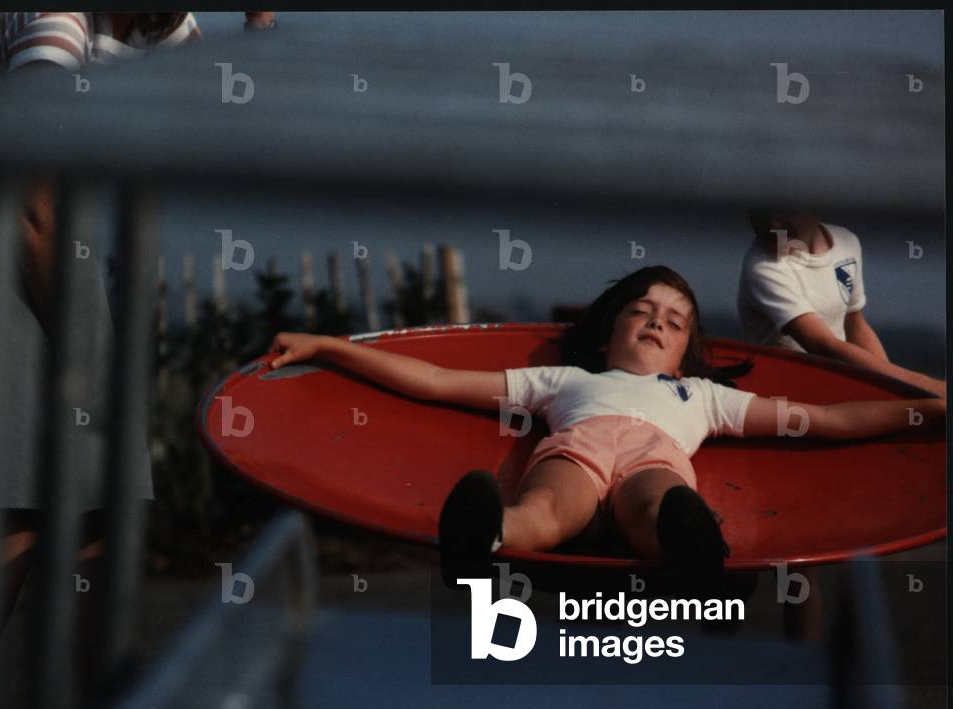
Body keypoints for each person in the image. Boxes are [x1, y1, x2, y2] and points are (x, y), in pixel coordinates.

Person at [0, 9, 271, 709]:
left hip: (52, 227)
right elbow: (30, 204)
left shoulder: (161, 24)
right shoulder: (54, 25)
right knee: (12, 499)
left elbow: (227, 116)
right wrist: (89, 373)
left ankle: (113, 698)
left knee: (102, 500)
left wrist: (260, 28)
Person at [266, 266, 944, 580]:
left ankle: (681, 548)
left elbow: (825, 419)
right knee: (546, 503)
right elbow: (440, 381)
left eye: (674, 321)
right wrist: (331, 347)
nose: (656, 322)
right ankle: (487, 532)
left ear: (687, 351)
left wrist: (926, 410)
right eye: (642, 311)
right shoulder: (566, 380)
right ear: (607, 330)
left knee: (658, 499)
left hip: (656, 458)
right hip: (578, 447)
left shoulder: (702, 397)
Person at [738, 210, 945, 397]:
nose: (772, 224)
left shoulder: (847, 243)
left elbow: (854, 326)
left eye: (783, 210)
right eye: (760, 212)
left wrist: (893, 388)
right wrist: (924, 385)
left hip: (836, 382)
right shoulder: (763, 269)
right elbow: (823, 345)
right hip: (785, 395)